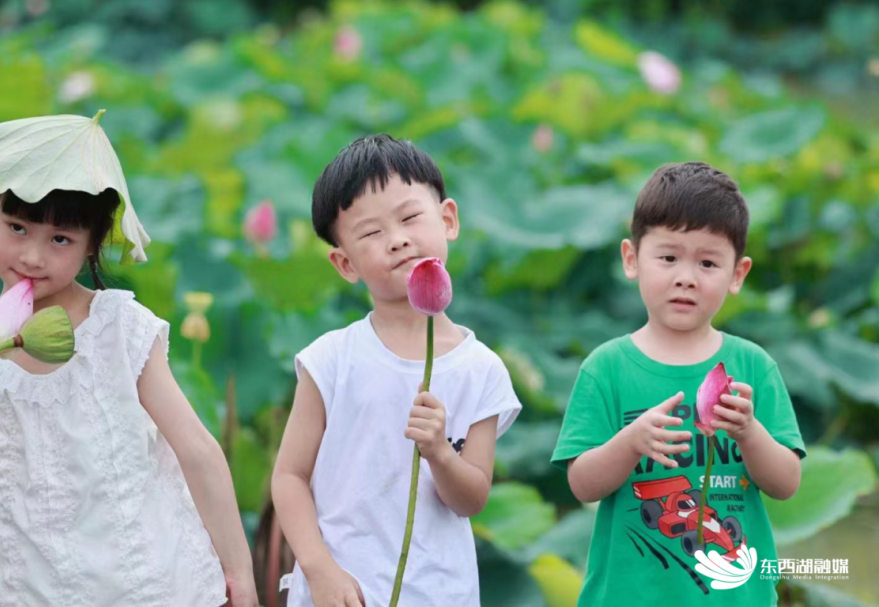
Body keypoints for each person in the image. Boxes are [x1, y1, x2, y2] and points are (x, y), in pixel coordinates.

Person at [0, 116, 257, 606]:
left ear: (93, 242)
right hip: (15, 593)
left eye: (60, 239)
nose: (32, 256)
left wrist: (239, 573)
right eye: (18, 228)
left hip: (143, 588)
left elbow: (198, 452)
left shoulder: (120, 329)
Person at [271, 134, 522, 606]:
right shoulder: (331, 359)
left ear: (448, 219)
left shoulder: (482, 370)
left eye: (409, 218)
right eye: (371, 233)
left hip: (439, 592)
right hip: (340, 593)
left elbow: (472, 499)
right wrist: (320, 570)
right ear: (345, 264)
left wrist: (441, 453)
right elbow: (289, 477)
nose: (398, 239)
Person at [551, 162, 806, 605]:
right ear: (631, 259)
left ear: (738, 274)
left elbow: (786, 484)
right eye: (668, 258)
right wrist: (630, 442)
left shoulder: (753, 367)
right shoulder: (606, 368)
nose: (685, 277)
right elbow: (583, 486)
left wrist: (749, 432)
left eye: (707, 262)